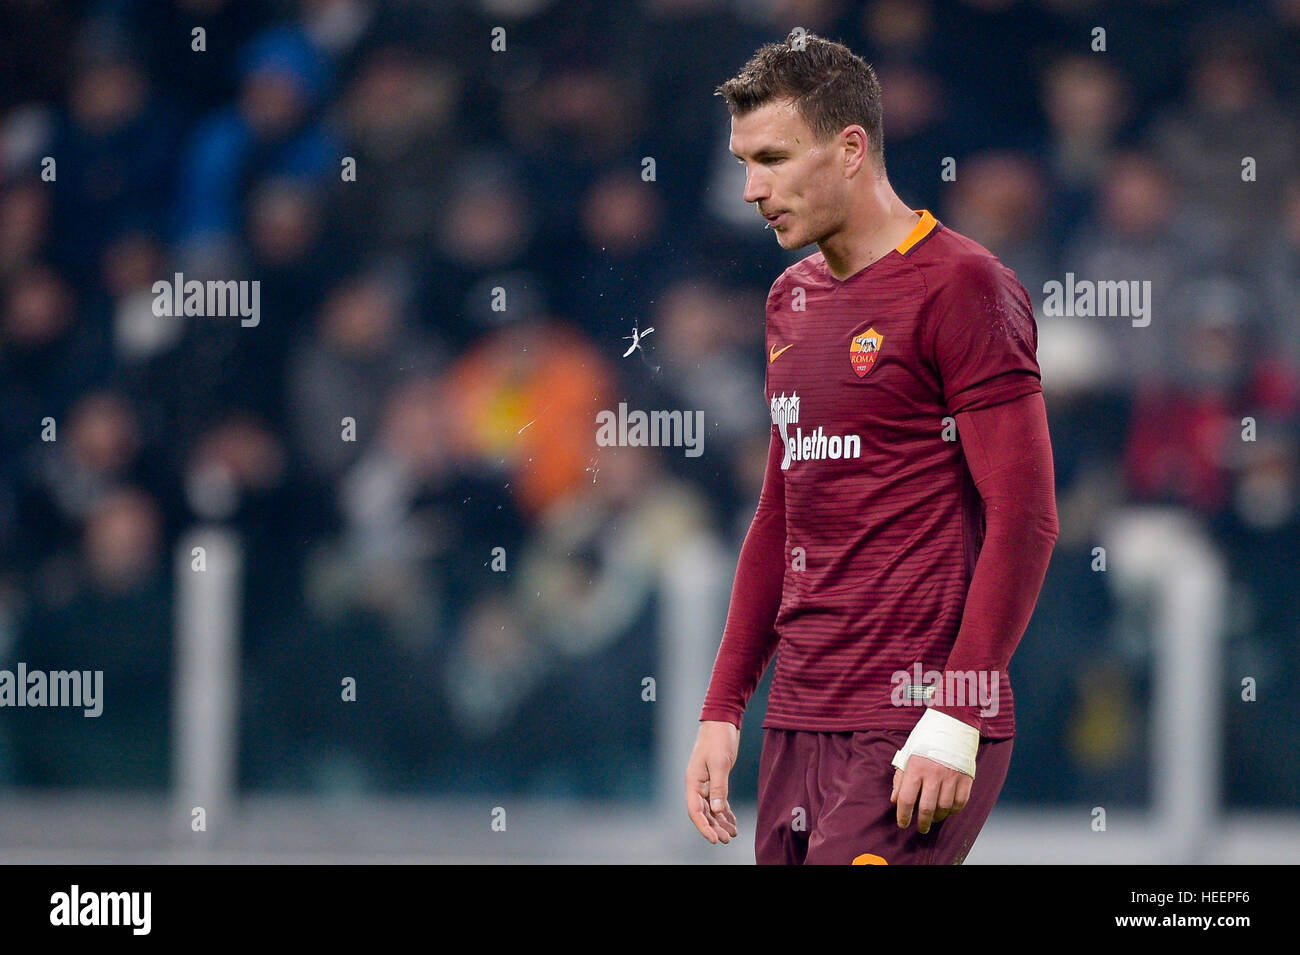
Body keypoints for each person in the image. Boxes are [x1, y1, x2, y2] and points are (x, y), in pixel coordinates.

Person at [685, 32, 1059, 865]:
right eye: (745, 162)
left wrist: (958, 714)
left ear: (852, 148)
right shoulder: (790, 299)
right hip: (800, 713)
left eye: (774, 158)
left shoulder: (964, 286)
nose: (752, 189)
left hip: (915, 716)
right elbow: (781, 517)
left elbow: (1026, 518)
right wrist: (723, 707)